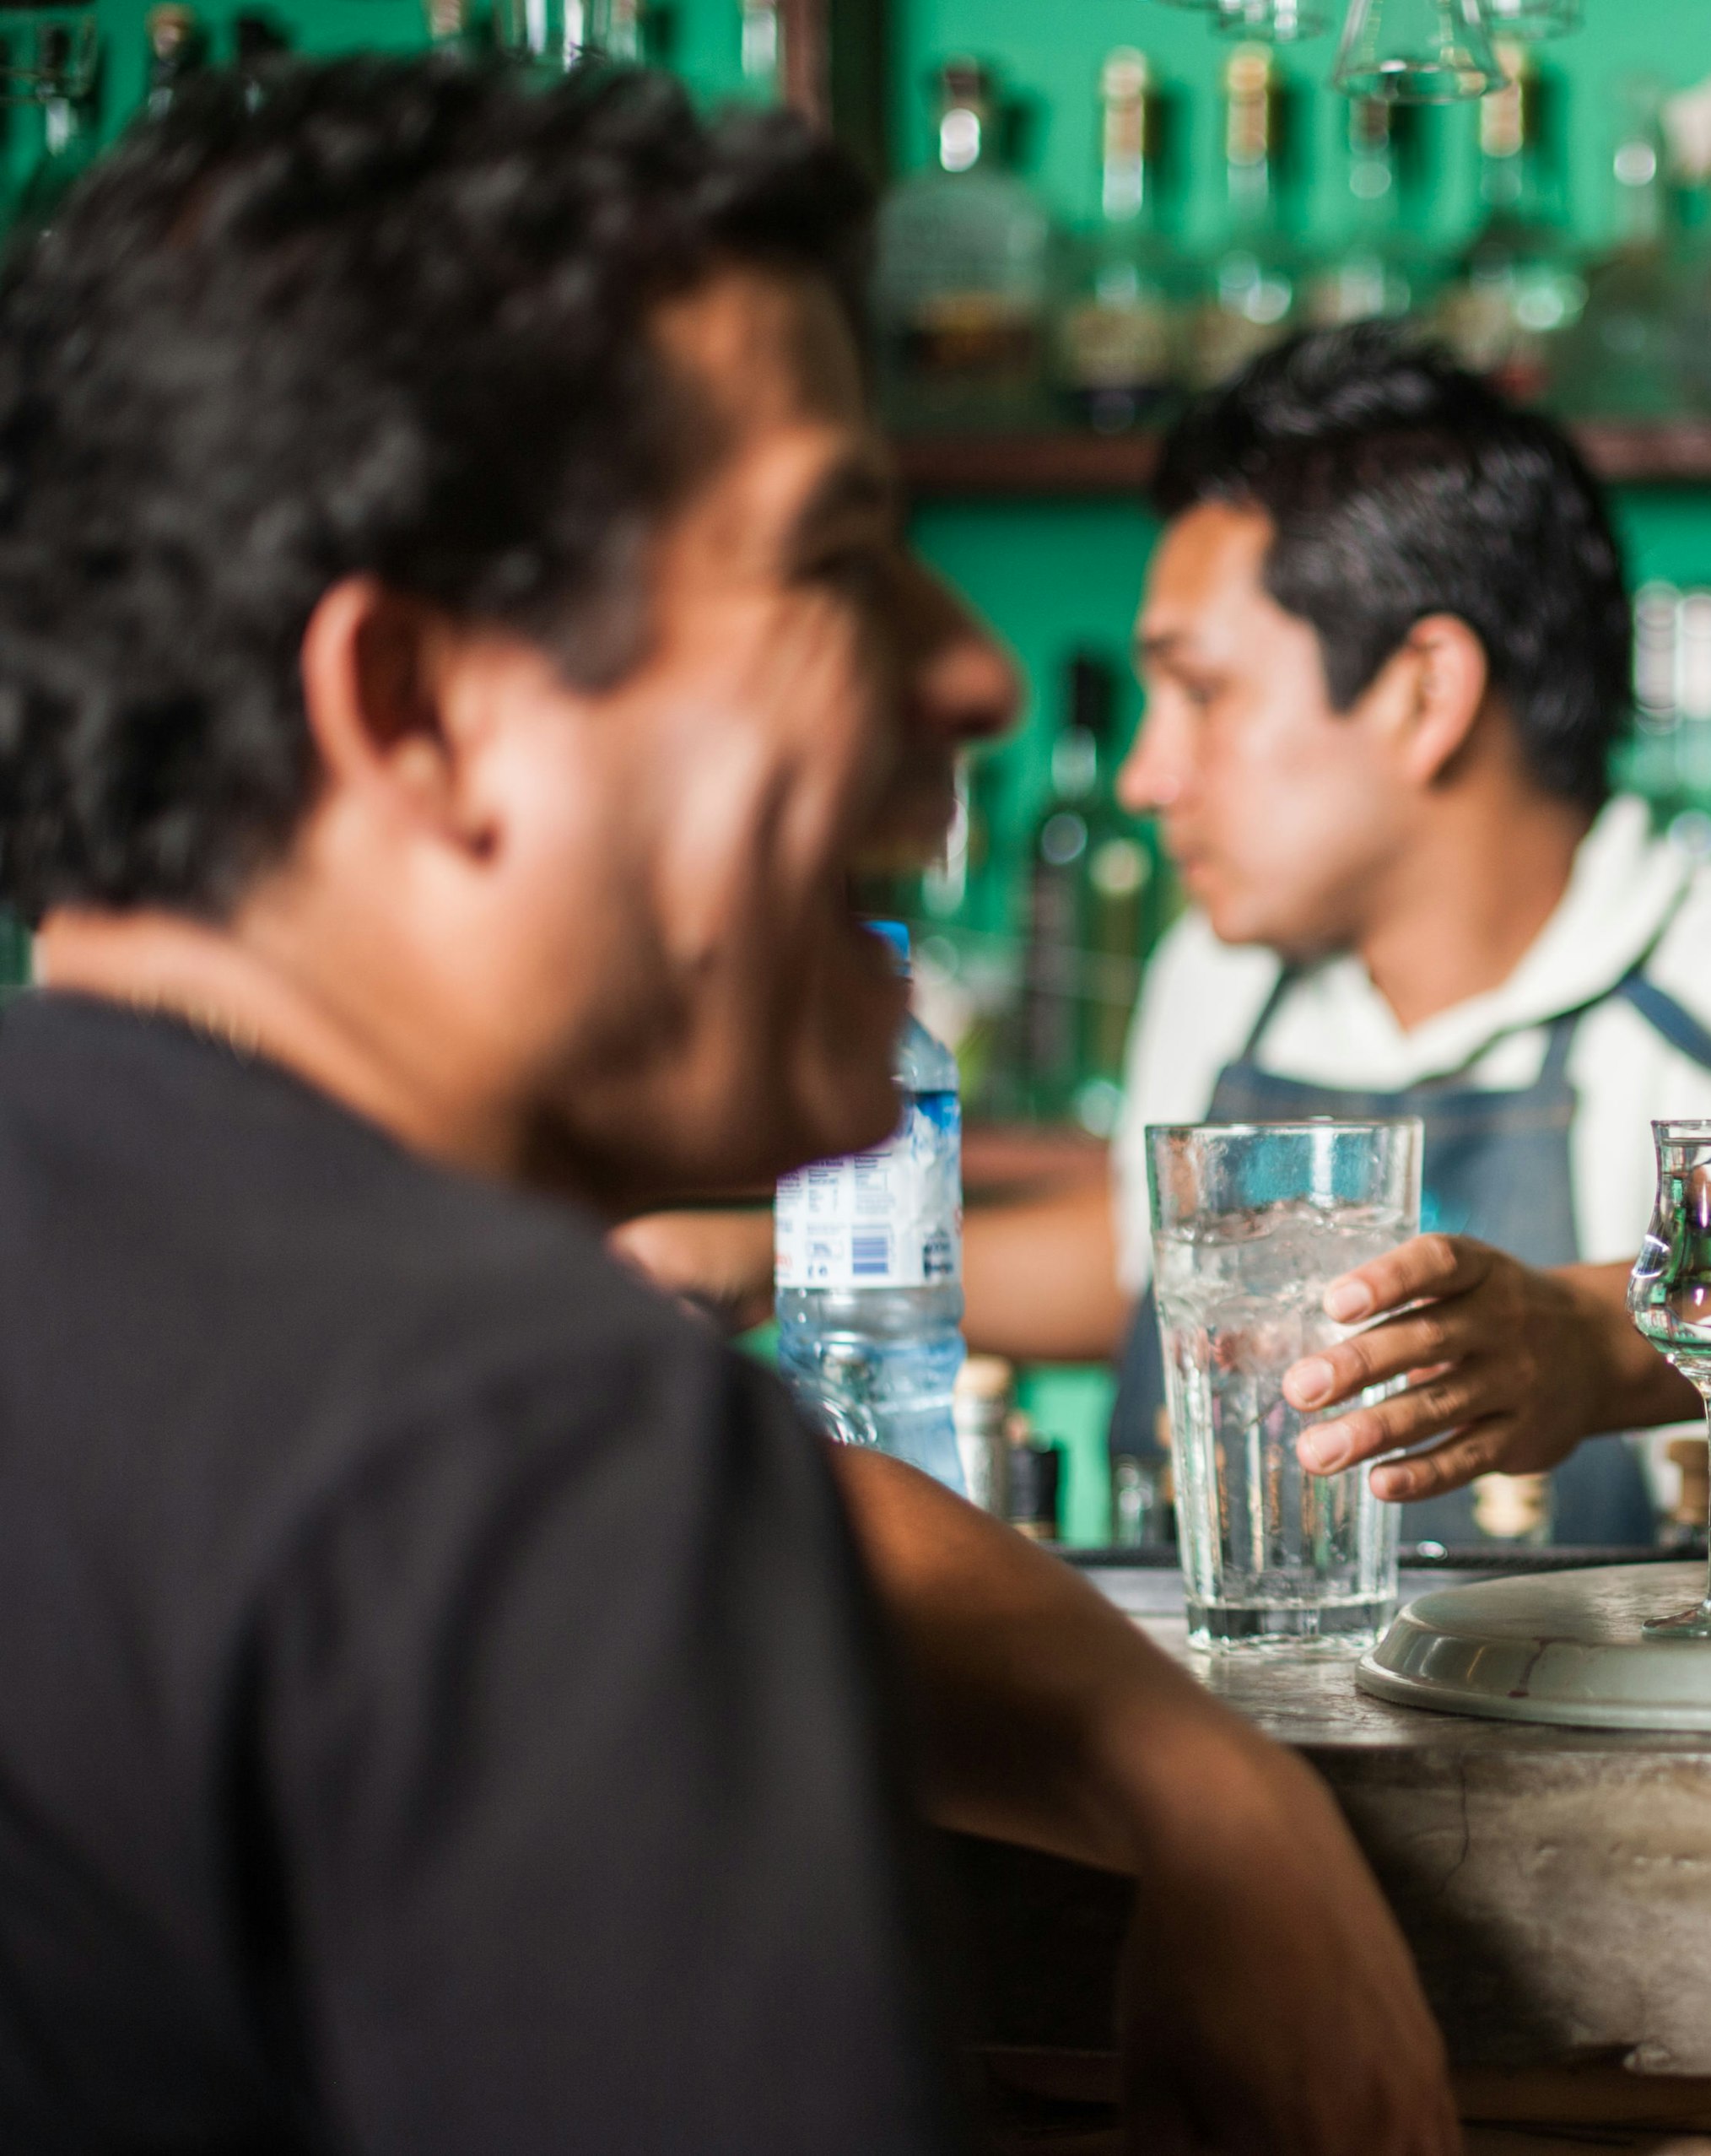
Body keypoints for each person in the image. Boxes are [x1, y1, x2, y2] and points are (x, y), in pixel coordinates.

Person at [0, 57, 1455, 2156]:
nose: (968, 672)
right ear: (421, 713)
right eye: (838, 557)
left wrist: (1177, 1755)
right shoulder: (541, 1437)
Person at [628, 327, 1711, 1548]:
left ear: (1424, 693)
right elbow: (1145, 1259)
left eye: (1200, 695)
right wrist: (765, 1258)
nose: (1145, 775)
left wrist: (1586, 1343)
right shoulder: (1225, 975)